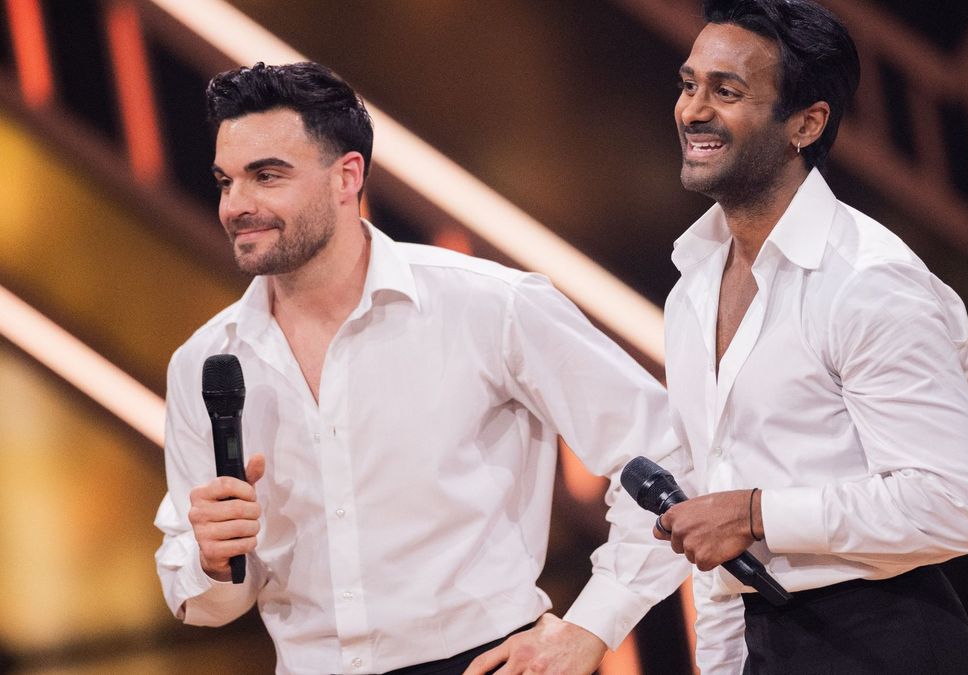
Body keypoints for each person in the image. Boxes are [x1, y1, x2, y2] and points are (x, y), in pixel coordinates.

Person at [153, 61, 692, 675]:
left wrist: (592, 626)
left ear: (346, 177)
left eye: (266, 176)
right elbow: (200, 598)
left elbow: (669, 455)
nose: (236, 205)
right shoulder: (204, 363)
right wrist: (211, 560)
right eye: (225, 182)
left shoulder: (489, 305)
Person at [651, 1, 968, 674]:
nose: (693, 110)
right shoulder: (690, 290)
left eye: (727, 92)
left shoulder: (868, 280)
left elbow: (955, 505)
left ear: (806, 124)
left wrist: (756, 514)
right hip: (761, 639)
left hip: (886, 638)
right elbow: (714, 531)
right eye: (689, 84)